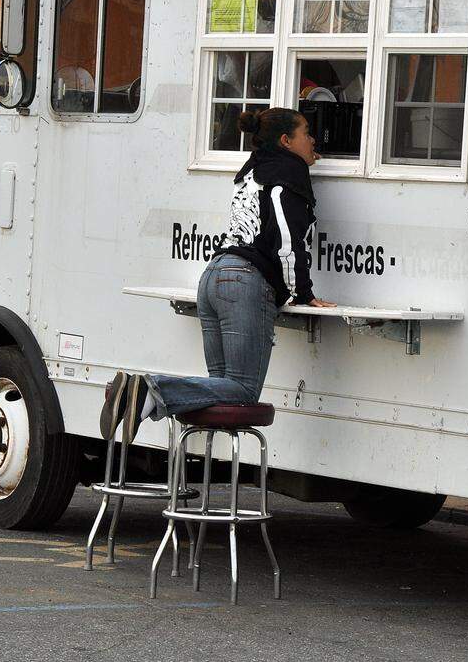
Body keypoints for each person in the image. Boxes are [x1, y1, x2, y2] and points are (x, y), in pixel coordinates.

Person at [100, 107, 336, 442]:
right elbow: (286, 237)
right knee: (241, 391)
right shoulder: (289, 173)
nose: (314, 140)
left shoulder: (256, 170)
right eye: (307, 132)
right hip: (244, 282)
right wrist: (304, 292)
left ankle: (140, 396)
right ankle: (150, 388)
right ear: (286, 141)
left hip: (214, 276)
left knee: (219, 390)